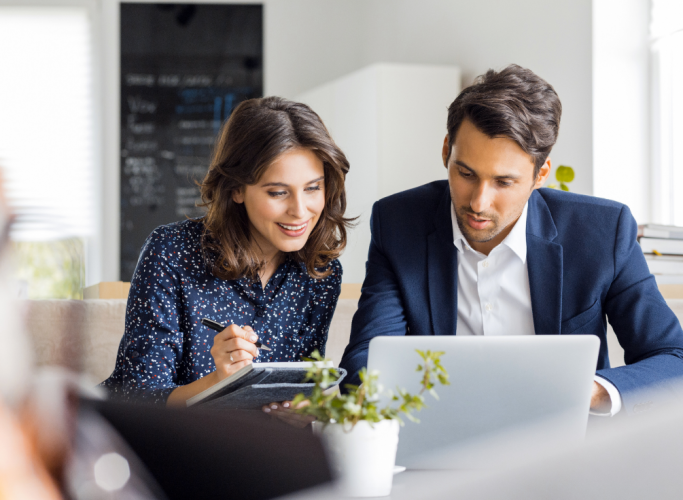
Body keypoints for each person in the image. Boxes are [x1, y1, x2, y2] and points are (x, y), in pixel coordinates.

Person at [339, 65, 683, 416]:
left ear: (541, 175)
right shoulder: (398, 223)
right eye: (466, 173)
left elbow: (673, 358)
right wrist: (375, 389)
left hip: (565, 446)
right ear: (447, 151)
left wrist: (589, 391)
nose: (478, 202)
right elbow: (367, 355)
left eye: (504, 182)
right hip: (439, 437)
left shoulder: (602, 232)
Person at [103, 97, 353, 406]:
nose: (300, 211)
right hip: (169, 445)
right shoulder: (170, 252)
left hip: (257, 448)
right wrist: (220, 381)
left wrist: (298, 411)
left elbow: (298, 390)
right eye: (278, 192)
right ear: (236, 189)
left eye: (313, 188)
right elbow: (135, 398)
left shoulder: (321, 273)